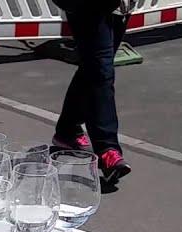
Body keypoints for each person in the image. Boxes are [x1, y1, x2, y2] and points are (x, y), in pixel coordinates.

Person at [50, 0, 134, 187]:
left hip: (118, 6)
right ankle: (107, 150)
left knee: (94, 68)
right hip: (87, 7)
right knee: (101, 71)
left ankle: (67, 130)